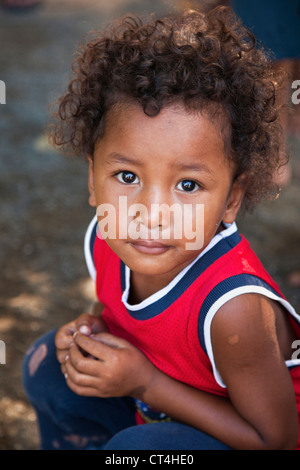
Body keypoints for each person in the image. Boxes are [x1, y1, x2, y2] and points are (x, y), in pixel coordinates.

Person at [22, 6, 300, 450]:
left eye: (188, 184)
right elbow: (129, 319)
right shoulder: (106, 236)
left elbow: (277, 441)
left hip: (241, 436)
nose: (151, 212)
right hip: (156, 410)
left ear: (231, 198)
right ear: (93, 179)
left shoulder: (234, 309)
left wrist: (145, 383)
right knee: (47, 367)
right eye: (128, 177)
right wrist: (93, 334)